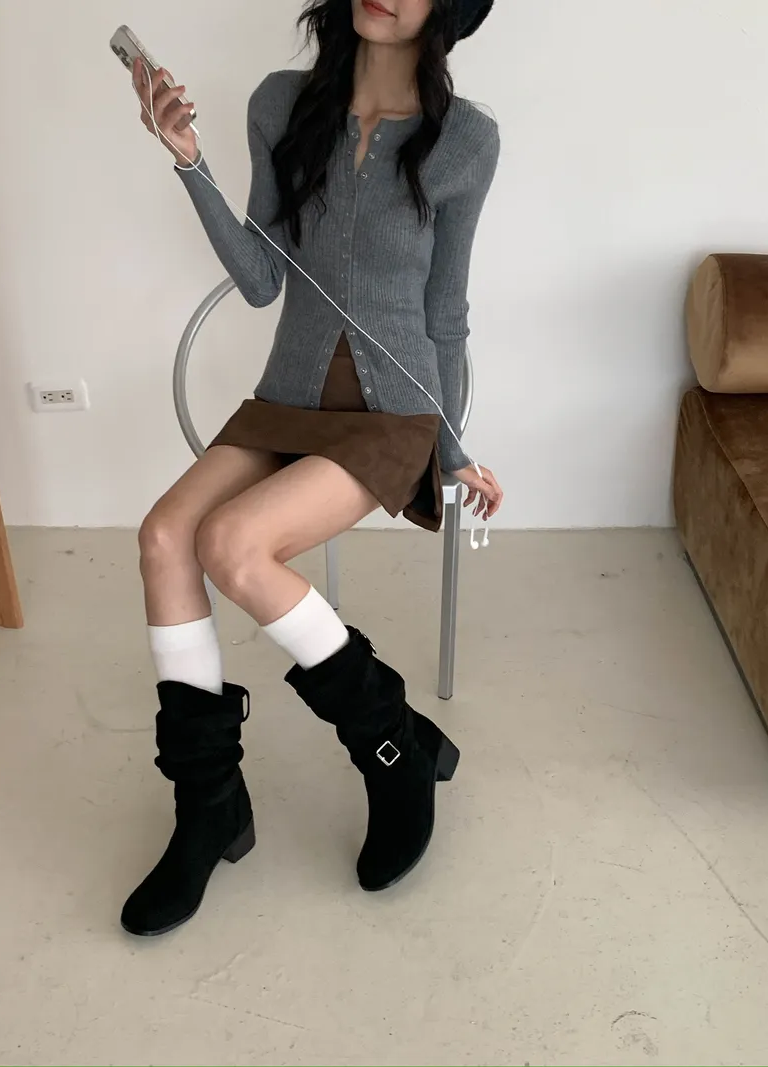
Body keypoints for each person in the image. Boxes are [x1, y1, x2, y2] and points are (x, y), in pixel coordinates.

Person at [121, 0, 502, 937]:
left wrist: (452, 449)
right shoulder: (281, 104)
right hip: (287, 398)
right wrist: (188, 159)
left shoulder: (465, 141)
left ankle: (391, 748)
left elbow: (446, 313)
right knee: (165, 535)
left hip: (392, 416)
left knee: (233, 543)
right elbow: (261, 279)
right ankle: (210, 805)